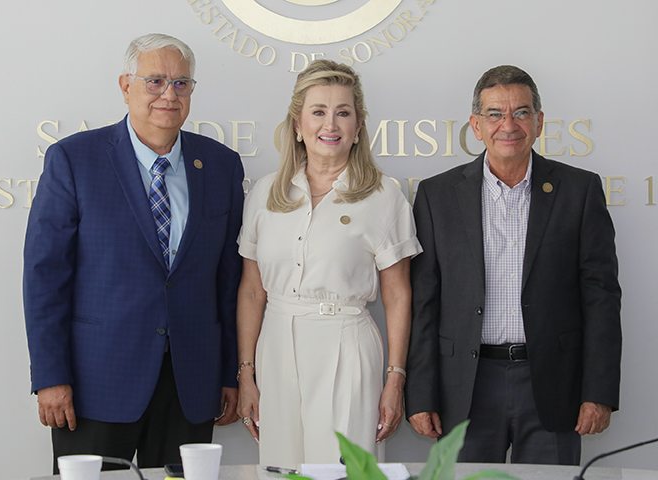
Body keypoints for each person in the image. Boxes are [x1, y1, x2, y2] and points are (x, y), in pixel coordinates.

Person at [23, 33, 244, 472]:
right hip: (96, 381)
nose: (169, 94)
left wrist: (228, 373)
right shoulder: (74, 159)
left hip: (190, 382)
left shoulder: (221, 164)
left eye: (181, 83)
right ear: (126, 86)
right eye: (155, 81)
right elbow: (45, 276)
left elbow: (228, 280)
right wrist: (50, 376)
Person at [405, 65, 621, 465]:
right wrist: (421, 395)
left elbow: (601, 297)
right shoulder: (437, 196)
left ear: (539, 122)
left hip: (553, 384)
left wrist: (599, 391)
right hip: (465, 387)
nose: (509, 125)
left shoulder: (579, 191)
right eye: (495, 114)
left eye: (521, 112)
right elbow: (424, 303)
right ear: (476, 125)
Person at [236, 59, 422, 467]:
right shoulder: (265, 193)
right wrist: (246, 372)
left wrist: (395, 379)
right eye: (318, 111)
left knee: (344, 469)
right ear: (297, 124)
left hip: (347, 346)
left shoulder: (383, 196)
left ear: (358, 126)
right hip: (276, 346)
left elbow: (397, 295)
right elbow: (251, 290)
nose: (330, 124)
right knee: (281, 469)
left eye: (343, 112)